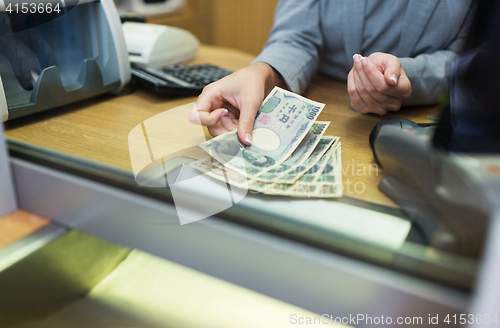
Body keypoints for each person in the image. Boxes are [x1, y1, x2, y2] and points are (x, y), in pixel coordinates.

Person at [189, 0, 476, 145]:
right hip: (331, 114)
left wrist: (413, 76)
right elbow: (297, 37)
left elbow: (480, 58)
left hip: (424, 131)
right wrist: (263, 73)